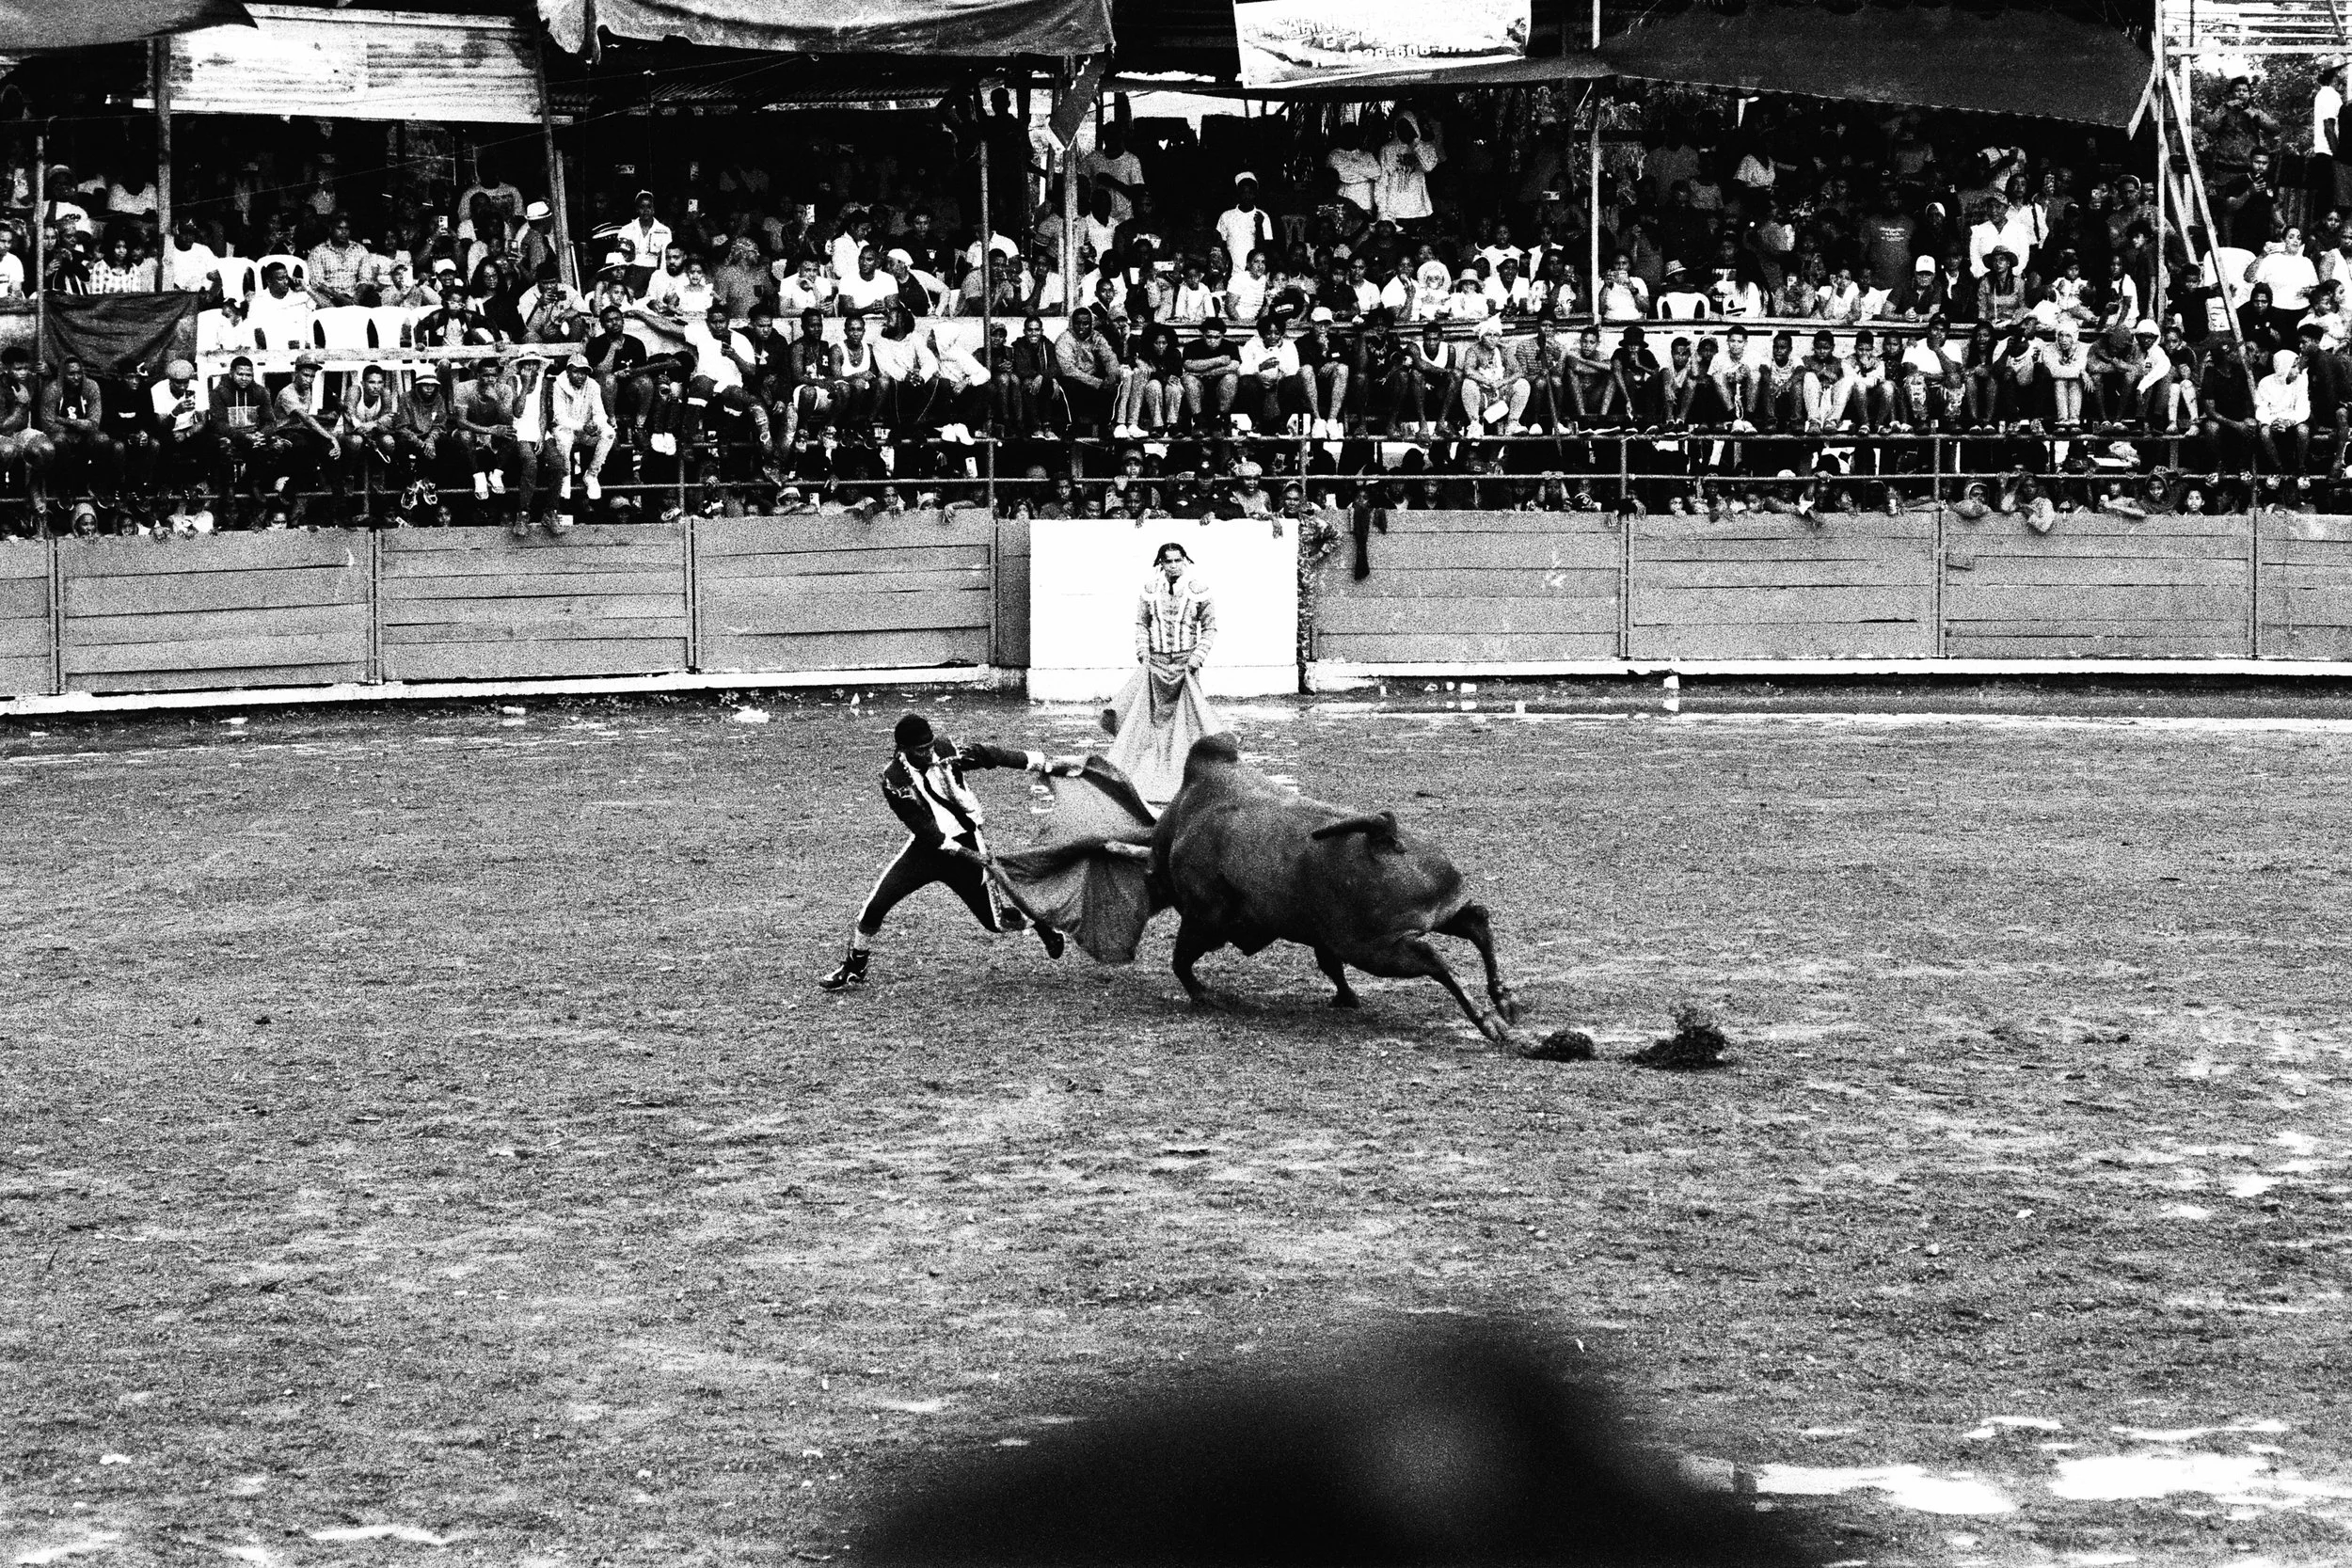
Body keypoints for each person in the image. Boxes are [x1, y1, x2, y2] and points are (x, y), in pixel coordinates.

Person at [817, 712, 1076, 992]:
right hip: (928, 850)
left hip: (966, 842)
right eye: (921, 750)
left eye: (930, 746)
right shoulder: (893, 779)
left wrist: (1046, 764)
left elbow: (991, 755)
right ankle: (855, 966)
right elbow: (925, 830)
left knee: (995, 923)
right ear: (902, 750)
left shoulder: (945, 751)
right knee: (875, 905)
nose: (929, 753)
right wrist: (970, 856)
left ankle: (1041, 923)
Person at [1104, 542, 1225, 806]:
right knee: (1152, 722)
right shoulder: (1149, 591)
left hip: (1185, 664)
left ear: (1185, 561)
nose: (1172, 566)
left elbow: (1210, 627)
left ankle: (1191, 776)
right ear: (1160, 563)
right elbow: (1141, 624)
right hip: (1156, 663)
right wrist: (1143, 653)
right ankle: (1149, 772)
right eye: (1167, 561)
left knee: (1189, 721)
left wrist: (1196, 658)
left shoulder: (1198, 590)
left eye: (1177, 560)